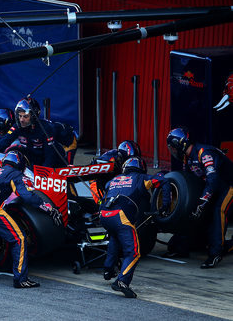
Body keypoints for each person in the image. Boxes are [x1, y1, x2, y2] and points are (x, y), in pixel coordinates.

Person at [0, 151, 62, 288]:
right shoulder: (14, 173)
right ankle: (21, 279)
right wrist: (49, 208)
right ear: (20, 164)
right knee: (19, 238)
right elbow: (26, 196)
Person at [100, 157, 170, 298]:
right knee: (133, 252)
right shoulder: (141, 178)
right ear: (141, 168)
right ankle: (122, 281)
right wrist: (165, 206)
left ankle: (108, 270)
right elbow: (163, 181)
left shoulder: (113, 180)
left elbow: (105, 190)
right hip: (120, 216)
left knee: (115, 238)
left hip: (104, 215)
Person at [167, 127, 233, 268]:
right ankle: (180, 247)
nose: (172, 151)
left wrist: (203, 201)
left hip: (229, 185)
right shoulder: (187, 159)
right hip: (214, 187)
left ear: (180, 145)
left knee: (218, 211)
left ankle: (216, 254)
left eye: (173, 147)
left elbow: (213, 179)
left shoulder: (204, 153)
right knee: (191, 210)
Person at [0, 97, 56, 168]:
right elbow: (4, 142)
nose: (21, 120)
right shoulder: (17, 126)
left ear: (33, 116)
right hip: (30, 164)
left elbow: (50, 156)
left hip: (49, 165)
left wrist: (42, 172)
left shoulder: (46, 128)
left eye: (25, 116)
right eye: (20, 116)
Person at [89, 140, 141, 204]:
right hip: (98, 178)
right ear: (121, 156)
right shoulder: (109, 159)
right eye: (128, 160)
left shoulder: (124, 159)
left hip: (113, 175)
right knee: (102, 201)